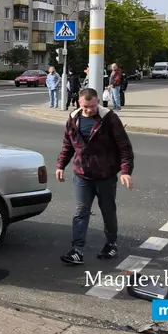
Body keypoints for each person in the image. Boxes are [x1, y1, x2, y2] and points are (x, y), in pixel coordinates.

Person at [57, 88, 134, 265]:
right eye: (86, 107)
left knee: (108, 211)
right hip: (82, 175)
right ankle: (77, 250)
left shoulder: (109, 119)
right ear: (79, 103)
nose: (89, 110)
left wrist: (125, 171)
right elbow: (68, 145)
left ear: (98, 101)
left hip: (105, 175)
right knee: (80, 211)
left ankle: (111, 244)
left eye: (92, 106)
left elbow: (125, 147)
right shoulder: (73, 118)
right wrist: (61, 165)